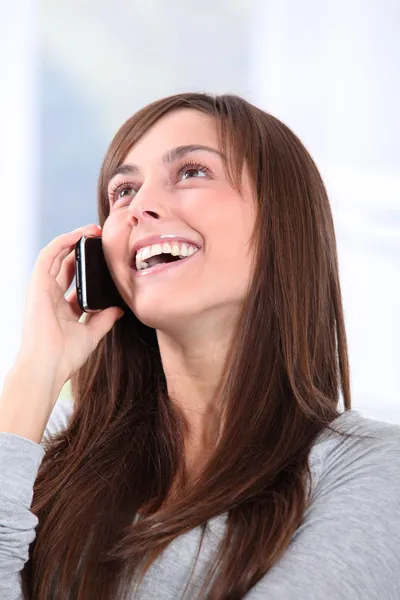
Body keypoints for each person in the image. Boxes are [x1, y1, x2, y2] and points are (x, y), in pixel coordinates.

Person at [0, 92, 399, 600]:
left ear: (284, 220)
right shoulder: (46, 447)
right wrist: (34, 370)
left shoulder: (370, 469)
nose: (139, 205)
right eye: (123, 190)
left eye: (192, 172)